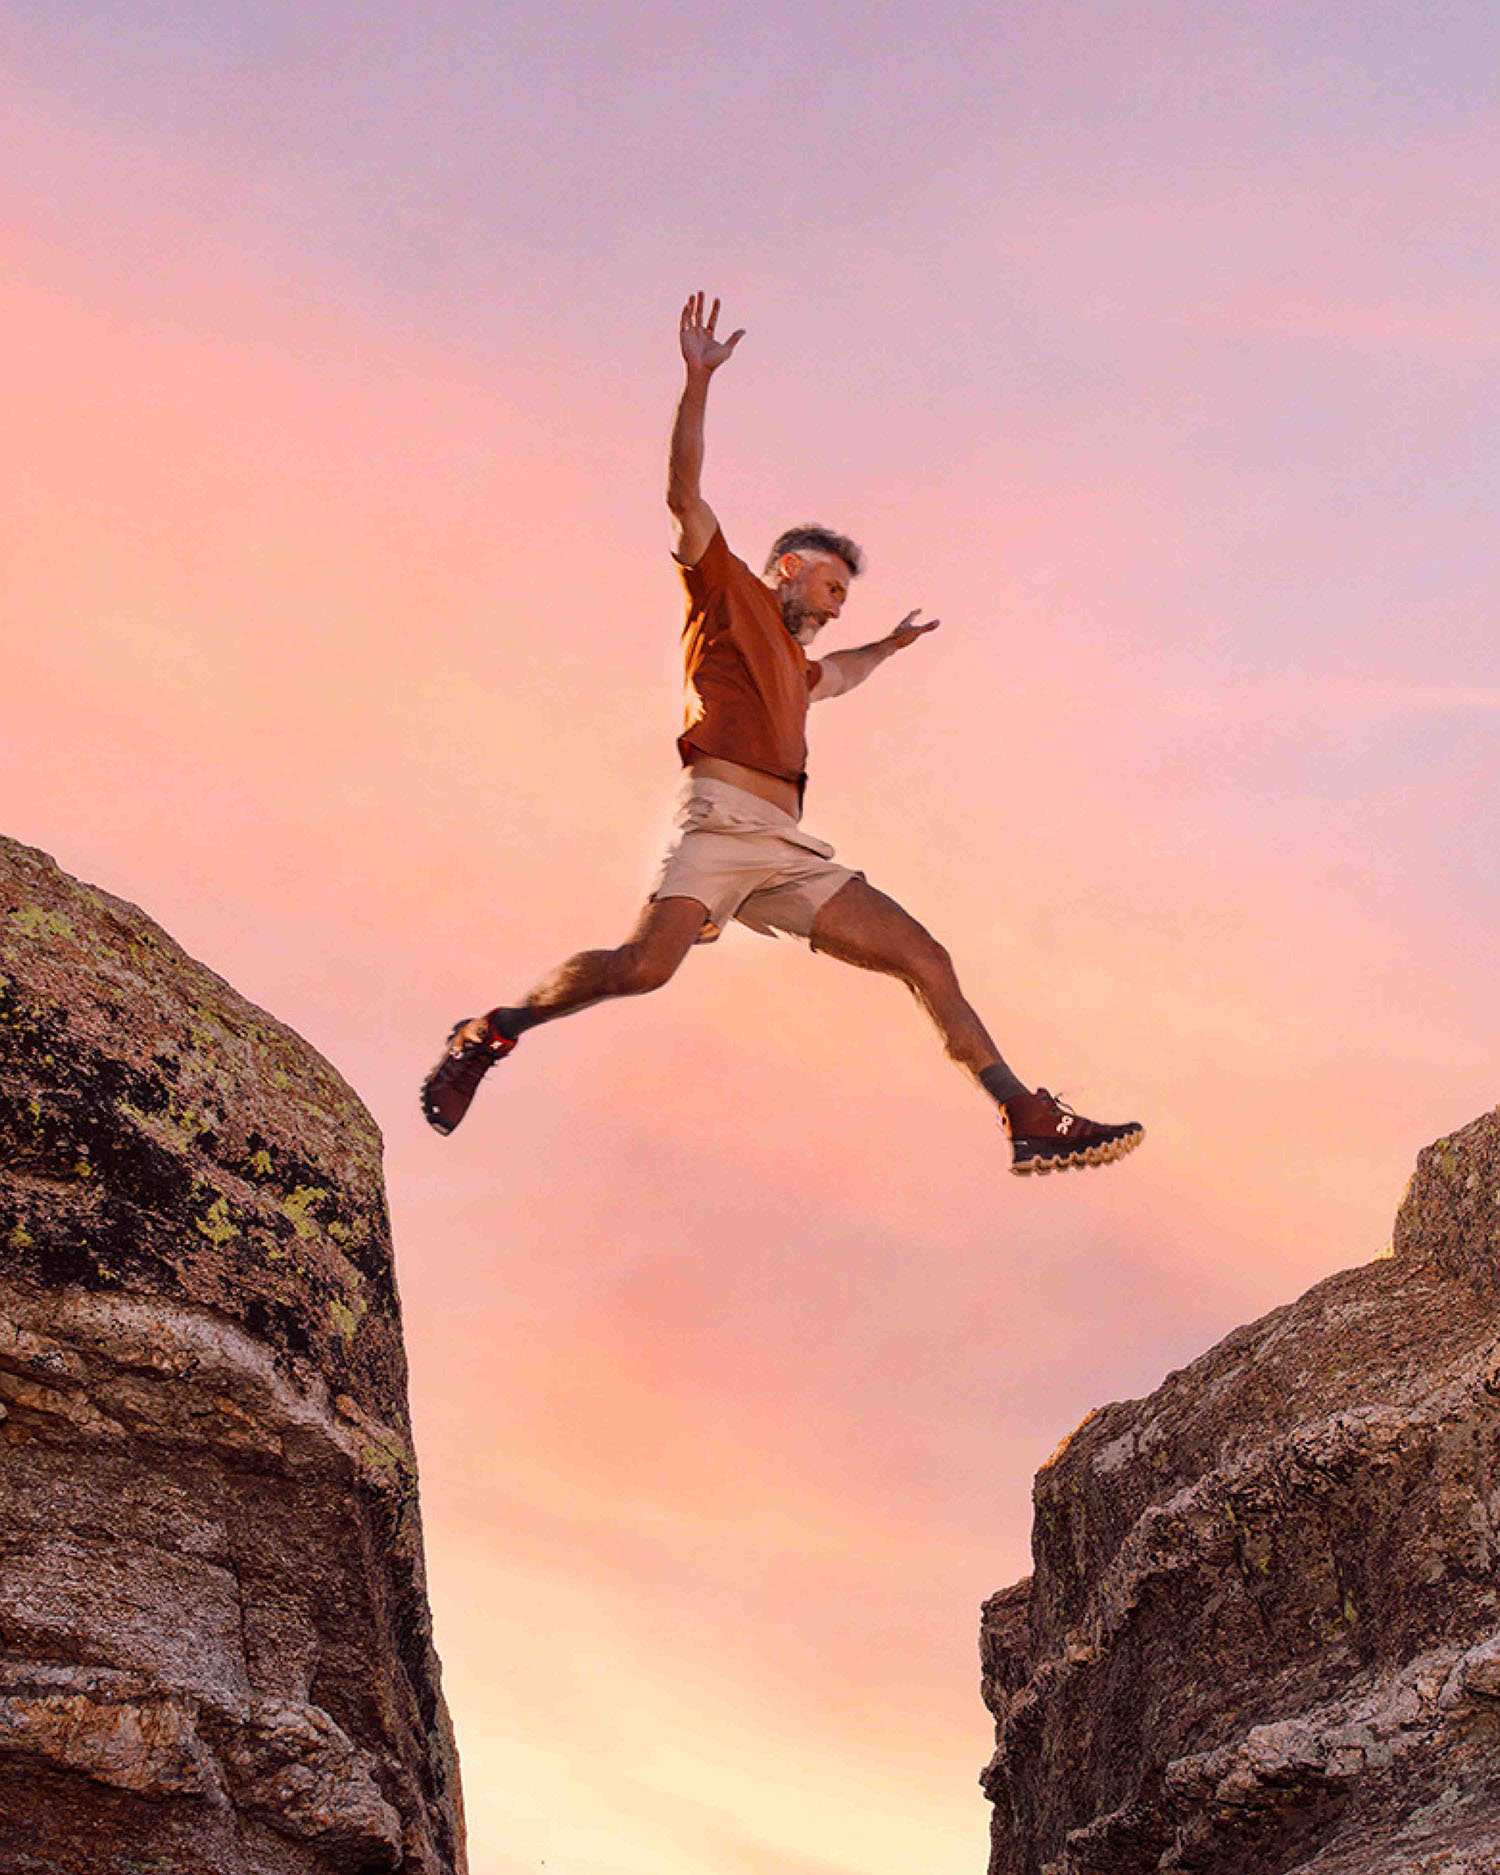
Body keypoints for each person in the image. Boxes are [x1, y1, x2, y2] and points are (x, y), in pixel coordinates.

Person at [421, 293, 1143, 1177]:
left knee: (925, 956)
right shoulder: (726, 592)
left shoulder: (799, 671)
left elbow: (842, 674)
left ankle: (1024, 1114)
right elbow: (682, 495)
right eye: (833, 590)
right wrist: (697, 381)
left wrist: (889, 646)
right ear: (791, 568)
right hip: (719, 826)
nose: (837, 608)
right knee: (643, 968)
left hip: (786, 850)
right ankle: (493, 1030)